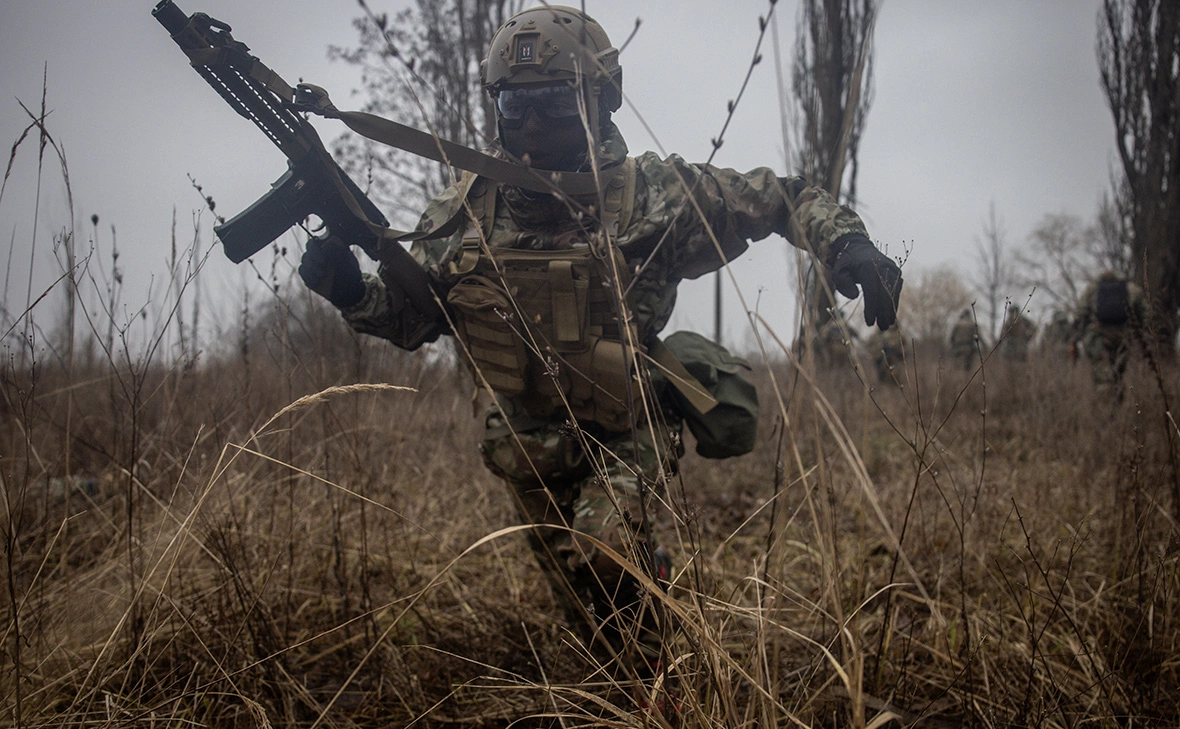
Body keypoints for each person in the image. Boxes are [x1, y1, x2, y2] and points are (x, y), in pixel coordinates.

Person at [297, 5, 902, 674]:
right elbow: (423, 319)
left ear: (599, 100)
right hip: (524, 445)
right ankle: (636, 649)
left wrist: (846, 241)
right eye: (513, 107)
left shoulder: (651, 195)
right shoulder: (463, 209)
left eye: (554, 105)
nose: (529, 127)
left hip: (627, 424)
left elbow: (777, 198)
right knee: (592, 613)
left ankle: (667, 680)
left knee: (605, 548)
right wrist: (353, 294)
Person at [1073, 271, 1147, 393]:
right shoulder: (1132, 289)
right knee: (1118, 374)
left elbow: (1079, 315)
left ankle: (1106, 409)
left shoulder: (1092, 289)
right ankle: (1117, 404)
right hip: (1124, 337)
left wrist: (1076, 338)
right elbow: (1145, 314)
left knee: (1103, 377)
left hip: (1099, 337)